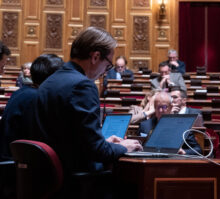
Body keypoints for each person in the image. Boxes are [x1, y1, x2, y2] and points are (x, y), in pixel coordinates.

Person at [31, 26, 141, 177]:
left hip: (46, 176)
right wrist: (123, 147)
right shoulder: (82, 86)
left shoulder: (49, 81)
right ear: (95, 57)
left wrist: (104, 142)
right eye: (108, 65)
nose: (105, 72)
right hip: (75, 181)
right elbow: (96, 151)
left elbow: (70, 138)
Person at [0, 53, 62, 161]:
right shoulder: (37, 98)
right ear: (53, 78)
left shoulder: (22, 92)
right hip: (15, 165)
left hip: (7, 159)